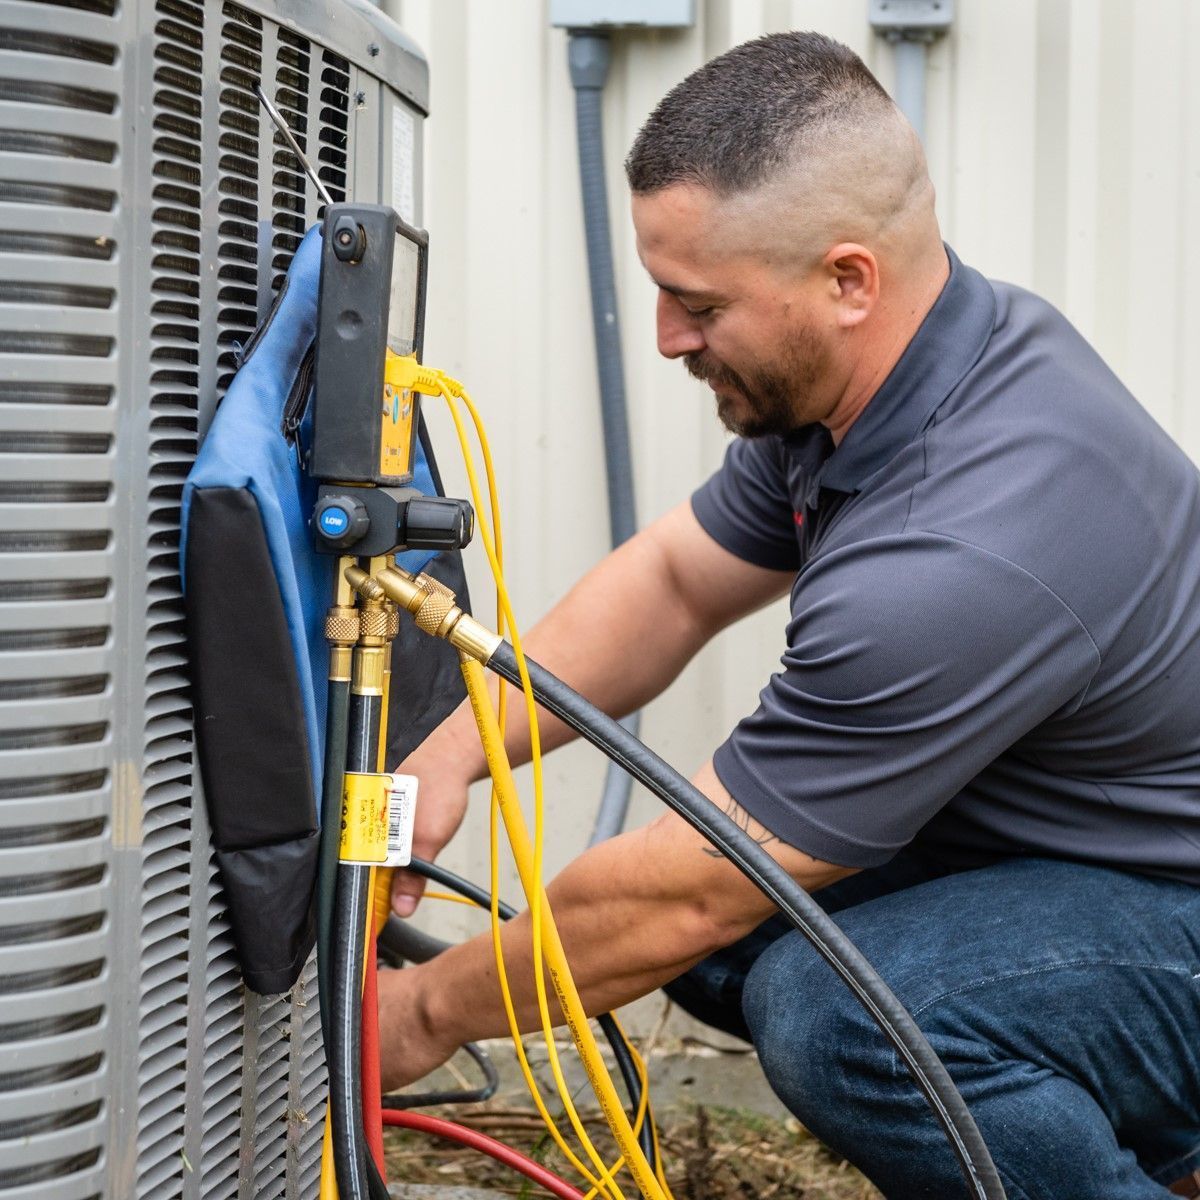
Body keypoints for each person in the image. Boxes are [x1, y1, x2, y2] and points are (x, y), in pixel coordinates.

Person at [377, 31, 1200, 1199]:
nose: (666, 335)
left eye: (696, 302)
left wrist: (420, 1012)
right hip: (1075, 855)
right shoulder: (892, 372)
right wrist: (450, 753)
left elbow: (691, 883)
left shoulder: (957, 550)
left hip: (1176, 910)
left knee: (843, 1015)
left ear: (847, 280)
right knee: (727, 956)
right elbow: (672, 582)